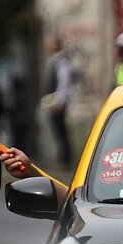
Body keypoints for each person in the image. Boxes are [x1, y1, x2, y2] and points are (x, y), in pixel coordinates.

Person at [42, 35, 74, 170]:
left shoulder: (61, 62)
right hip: (53, 101)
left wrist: (60, 101)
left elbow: (63, 82)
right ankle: (63, 157)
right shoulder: (54, 61)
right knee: (58, 130)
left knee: (61, 130)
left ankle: (66, 159)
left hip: (57, 102)